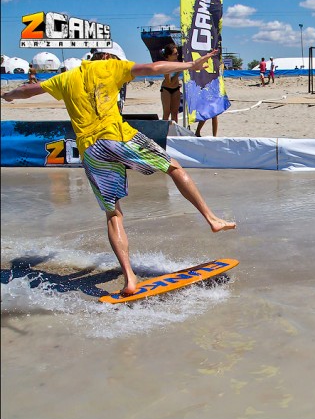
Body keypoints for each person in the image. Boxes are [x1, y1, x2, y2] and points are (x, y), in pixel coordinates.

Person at [1, 47, 236, 295]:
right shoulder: (111, 66)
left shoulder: (66, 78)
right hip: (119, 138)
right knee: (174, 168)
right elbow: (155, 68)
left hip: (91, 151)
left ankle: (130, 279)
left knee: (114, 214)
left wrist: (9, 96)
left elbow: (28, 90)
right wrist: (190, 66)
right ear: (108, 57)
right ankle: (212, 218)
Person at [160, 43, 181, 122]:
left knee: (175, 113)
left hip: (176, 88)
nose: (177, 55)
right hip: (166, 89)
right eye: (175, 54)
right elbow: (169, 83)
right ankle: (164, 132)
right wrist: (179, 73)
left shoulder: (177, 63)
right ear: (169, 56)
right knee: (166, 112)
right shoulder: (166, 66)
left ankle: (174, 133)